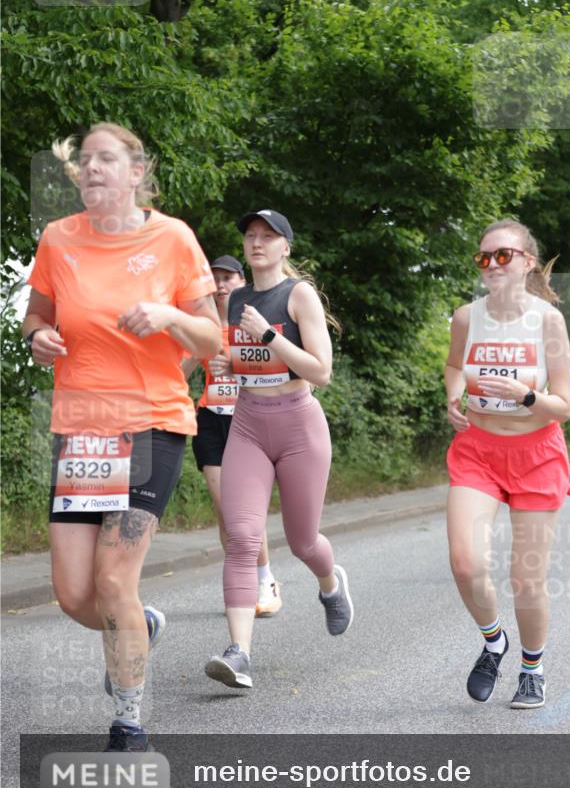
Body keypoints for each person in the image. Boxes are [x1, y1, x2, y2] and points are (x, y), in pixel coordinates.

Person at [23, 122, 220, 751]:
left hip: (150, 423)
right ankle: (145, 624)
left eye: (106, 159)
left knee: (114, 582)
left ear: (137, 172)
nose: (91, 169)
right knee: (74, 594)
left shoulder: (172, 239)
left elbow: (213, 339)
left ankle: (129, 722)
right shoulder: (59, 239)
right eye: (84, 161)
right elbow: (36, 315)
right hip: (81, 433)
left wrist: (167, 315)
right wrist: (36, 339)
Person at [204, 208, 352, 689]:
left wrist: (267, 335)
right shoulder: (237, 299)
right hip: (247, 424)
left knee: (303, 541)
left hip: (298, 425)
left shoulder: (298, 295)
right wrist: (230, 364)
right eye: (250, 235)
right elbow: (244, 359)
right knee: (243, 539)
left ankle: (331, 585)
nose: (257, 243)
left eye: (268, 236)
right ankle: (239, 652)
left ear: (286, 246)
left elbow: (321, 371)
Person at [444, 218, 570, 709]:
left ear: (528, 262)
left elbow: (564, 404)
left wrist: (526, 396)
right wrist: (453, 395)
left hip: (537, 454)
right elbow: (456, 365)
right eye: (484, 256)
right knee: (464, 561)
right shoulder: (465, 317)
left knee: (526, 577)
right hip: (478, 450)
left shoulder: (547, 321)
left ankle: (532, 668)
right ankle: (493, 640)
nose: (492, 264)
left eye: (504, 255)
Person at [182, 253, 282, 616]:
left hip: (250, 418)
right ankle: (242, 582)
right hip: (210, 418)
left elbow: (281, 366)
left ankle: (266, 580)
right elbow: (180, 371)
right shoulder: (203, 327)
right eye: (215, 279)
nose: (221, 285)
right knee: (225, 509)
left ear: (242, 282)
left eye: (228, 278)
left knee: (244, 511)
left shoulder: (255, 322)